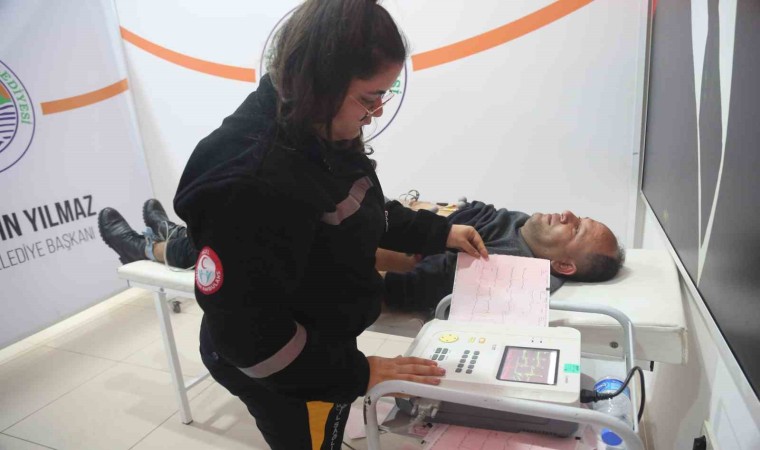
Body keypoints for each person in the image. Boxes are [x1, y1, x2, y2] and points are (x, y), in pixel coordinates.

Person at [168, 2, 488, 449]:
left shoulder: (314, 123)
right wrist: (358, 373)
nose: (376, 112)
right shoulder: (251, 181)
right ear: (320, 81)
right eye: (369, 98)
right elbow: (253, 341)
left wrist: (439, 232)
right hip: (283, 365)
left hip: (318, 340)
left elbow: (358, 205)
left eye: (383, 96)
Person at [379, 200, 625, 315]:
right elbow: (473, 212)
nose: (567, 213)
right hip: (401, 227)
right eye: (579, 218)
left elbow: (409, 288)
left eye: (576, 229)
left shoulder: (506, 270)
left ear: (563, 265)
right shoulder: (528, 226)